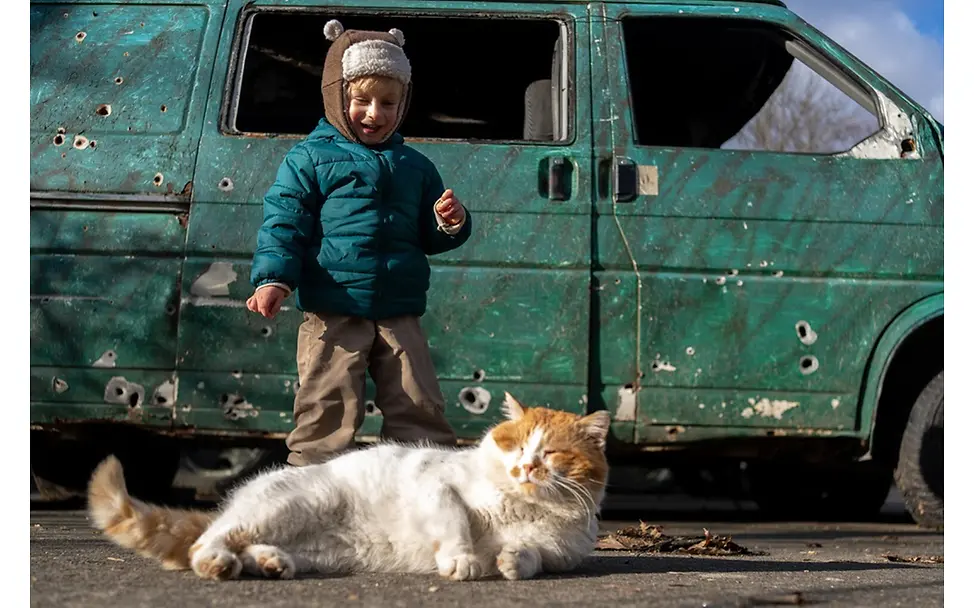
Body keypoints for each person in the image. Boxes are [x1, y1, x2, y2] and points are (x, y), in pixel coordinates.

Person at [246, 19, 472, 466]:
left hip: (399, 310)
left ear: (403, 103)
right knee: (326, 411)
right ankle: (311, 500)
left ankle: (425, 494)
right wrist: (273, 279)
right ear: (336, 96)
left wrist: (450, 222)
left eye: (389, 103)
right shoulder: (310, 158)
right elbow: (284, 223)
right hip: (335, 307)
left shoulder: (416, 166)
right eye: (361, 100)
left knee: (419, 407)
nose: (375, 113)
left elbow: (429, 236)